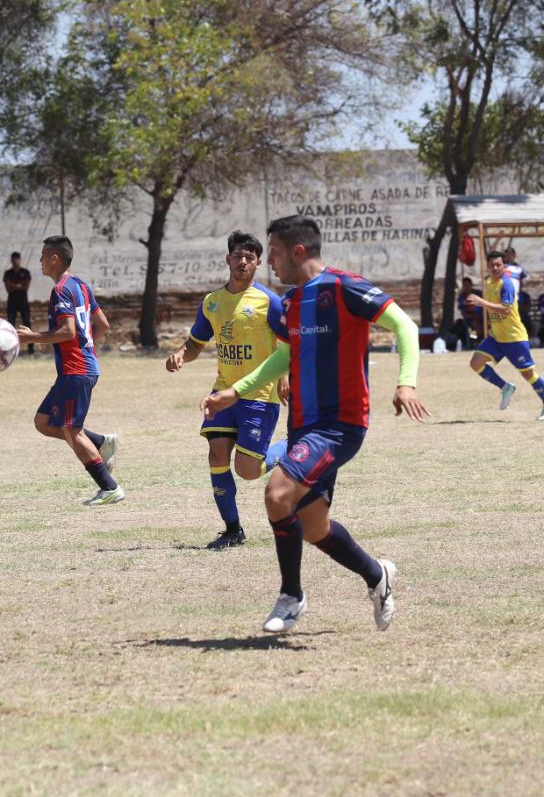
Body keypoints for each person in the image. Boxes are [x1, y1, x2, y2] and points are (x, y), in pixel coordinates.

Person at [202, 216, 428, 635]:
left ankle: (291, 596)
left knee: (277, 494)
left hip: (339, 425)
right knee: (313, 527)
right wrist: (236, 391)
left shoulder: (345, 287)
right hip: (303, 426)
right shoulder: (291, 302)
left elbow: (405, 325)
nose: (268, 261)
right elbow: (285, 357)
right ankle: (377, 575)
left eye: (272, 252)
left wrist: (406, 383)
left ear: (297, 251)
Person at [165, 231, 288, 550]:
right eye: (237, 256)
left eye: (249, 257)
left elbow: (290, 341)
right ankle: (233, 530)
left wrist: (284, 377)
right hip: (223, 392)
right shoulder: (212, 302)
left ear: (258, 263)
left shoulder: (269, 301)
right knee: (216, 455)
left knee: (247, 470)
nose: (242, 261)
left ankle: (291, 446)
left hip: (260, 395)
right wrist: (181, 354)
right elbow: (196, 343)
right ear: (228, 260)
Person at [15, 236, 123, 506]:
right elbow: (103, 324)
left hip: (76, 369)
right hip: (79, 368)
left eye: (43, 255)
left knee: (70, 429)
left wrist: (32, 337)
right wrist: (88, 349)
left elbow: (67, 331)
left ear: (55, 258)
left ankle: (109, 487)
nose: (40, 260)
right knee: (43, 422)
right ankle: (101, 442)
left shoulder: (61, 290)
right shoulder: (81, 286)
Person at [466, 249, 544, 419]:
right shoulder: (489, 283)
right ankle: (505, 387)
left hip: (513, 338)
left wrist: (482, 302)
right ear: (487, 267)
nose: (495, 268)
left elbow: (506, 310)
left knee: (528, 374)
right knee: (476, 363)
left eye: (498, 265)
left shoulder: (506, 284)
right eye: (492, 265)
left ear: (504, 266)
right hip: (496, 337)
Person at [3, 251, 35, 355]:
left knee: (27, 323)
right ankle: (10, 348)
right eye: (13, 259)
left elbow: (26, 287)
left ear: (19, 260)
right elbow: (8, 288)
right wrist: (19, 286)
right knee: (10, 325)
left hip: (23, 302)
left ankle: (31, 349)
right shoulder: (8, 273)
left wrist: (14, 286)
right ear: (11, 261)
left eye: (17, 259)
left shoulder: (25, 272)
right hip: (12, 302)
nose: (15, 261)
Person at [453, 276, 481, 350]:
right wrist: (473, 318)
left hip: (482, 317)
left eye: (468, 285)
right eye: (465, 285)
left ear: (471, 285)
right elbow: (463, 312)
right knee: (472, 327)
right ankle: (474, 342)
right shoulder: (462, 297)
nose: (467, 287)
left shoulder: (479, 294)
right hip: (470, 319)